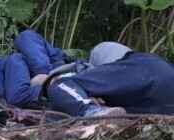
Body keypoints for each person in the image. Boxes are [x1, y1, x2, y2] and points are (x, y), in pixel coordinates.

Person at [41, 42, 174, 117]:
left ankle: (93, 112)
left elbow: (61, 83)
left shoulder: (140, 66)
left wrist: (91, 109)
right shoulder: (155, 66)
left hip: (152, 78)